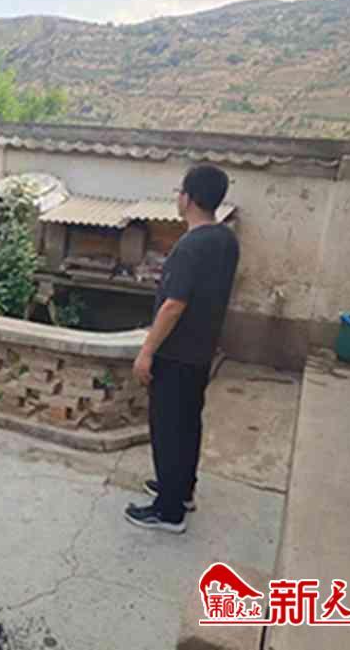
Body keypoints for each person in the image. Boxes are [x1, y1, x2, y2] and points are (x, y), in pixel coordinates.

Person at [124, 164, 240, 534]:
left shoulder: (189, 246)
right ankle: (182, 489)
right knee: (188, 424)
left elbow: (174, 305)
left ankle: (168, 511)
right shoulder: (226, 241)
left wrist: (147, 351)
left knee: (168, 429)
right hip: (202, 351)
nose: (178, 198)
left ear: (188, 198)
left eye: (179, 192)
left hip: (175, 353)